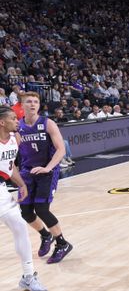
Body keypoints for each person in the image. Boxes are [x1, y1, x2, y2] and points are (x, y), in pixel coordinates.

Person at [18, 92, 73, 264]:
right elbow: (18, 151)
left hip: (47, 172)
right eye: (29, 102)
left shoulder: (48, 123)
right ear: (22, 105)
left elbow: (60, 149)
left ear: (39, 105)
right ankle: (45, 235)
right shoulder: (18, 126)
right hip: (27, 172)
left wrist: (47, 167)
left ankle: (62, 243)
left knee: (41, 208)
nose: (32, 104)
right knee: (26, 212)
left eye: (35, 101)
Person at [0, 106, 47, 291]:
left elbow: (9, 167)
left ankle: (28, 276)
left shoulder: (13, 140)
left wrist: (22, 185)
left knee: (20, 226)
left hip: (2, 191)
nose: (17, 121)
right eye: (13, 118)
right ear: (2, 122)